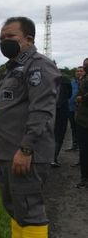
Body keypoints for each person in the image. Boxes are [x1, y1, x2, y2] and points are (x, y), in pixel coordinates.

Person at [0, 17, 61, 238]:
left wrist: (26, 149)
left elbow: (41, 111)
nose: (4, 41)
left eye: (10, 37)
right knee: (16, 209)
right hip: (8, 154)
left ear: (28, 39)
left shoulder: (39, 65)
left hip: (24, 154)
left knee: (29, 210)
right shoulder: (13, 69)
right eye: (1, 38)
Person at [50, 74, 71, 167]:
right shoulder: (65, 79)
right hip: (62, 110)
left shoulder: (46, 78)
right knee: (59, 135)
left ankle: (48, 158)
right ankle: (53, 158)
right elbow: (69, 95)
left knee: (50, 134)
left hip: (49, 109)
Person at [74, 58, 88, 188]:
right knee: (83, 150)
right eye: (84, 65)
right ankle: (84, 178)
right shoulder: (83, 80)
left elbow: (80, 97)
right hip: (82, 120)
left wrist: (82, 98)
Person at [65, 66, 85, 151]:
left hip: (81, 111)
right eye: (77, 71)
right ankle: (74, 145)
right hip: (71, 108)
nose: (79, 72)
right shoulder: (72, 82)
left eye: (81, 71)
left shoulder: (85, 83)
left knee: (81, 129)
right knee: (73, 128)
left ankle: (82, 147)